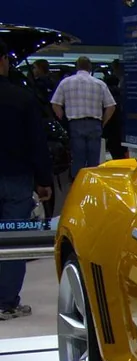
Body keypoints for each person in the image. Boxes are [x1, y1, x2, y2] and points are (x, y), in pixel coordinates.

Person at [0, 39, 52, 321]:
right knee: (12, 240)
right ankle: (6, 302)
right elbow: (37, 142)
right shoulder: (22, 98)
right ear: (4, 61)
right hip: (17, 178)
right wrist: (43, 180)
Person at [50, 56, 115, 176]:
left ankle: (77, 183)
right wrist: (103, 122)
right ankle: (91, 183)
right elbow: (111, 106)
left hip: (74, 124)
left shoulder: (65, 82)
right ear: (90, 67)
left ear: (77, 67)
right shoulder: (99, 84)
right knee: (94, 161)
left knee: (77, 159)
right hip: (95, 124)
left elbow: (55, 104)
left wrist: (63, 120)